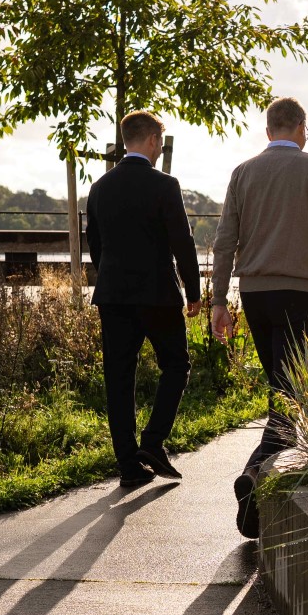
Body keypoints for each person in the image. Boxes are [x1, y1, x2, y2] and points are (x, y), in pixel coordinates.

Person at [210, 96, 308, 536]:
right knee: (289, 394)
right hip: (297, 294)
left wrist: (219, 301)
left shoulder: (243, 173)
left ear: (268, 129)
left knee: (283, 389)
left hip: (254, 296)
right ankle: (255, 477)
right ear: (300, 127)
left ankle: (260, 485)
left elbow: (224, 242)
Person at [87, 110, 201, 489]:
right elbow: (182, 243)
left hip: (113, 296)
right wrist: (194, 291)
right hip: (157, 294)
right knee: (176, 364)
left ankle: (129, 466)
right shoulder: (165, 185)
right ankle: (153, 442)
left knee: (118, 378)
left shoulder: (100, 187)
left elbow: (95, 246)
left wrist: (112, 279)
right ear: (153, 140)